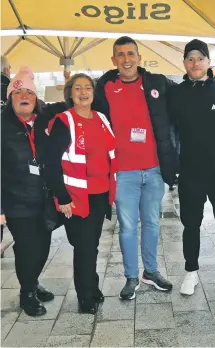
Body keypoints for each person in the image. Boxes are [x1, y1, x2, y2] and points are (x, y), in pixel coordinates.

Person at [94, 36, 178, 300]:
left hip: (153, 170)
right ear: (113, 60)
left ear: (139, 58)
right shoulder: (104, 88)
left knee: (152, 223)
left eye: (131, 54)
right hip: (123, 174)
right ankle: (131, 276)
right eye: (121, 55)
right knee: (128, 228)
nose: (126, 59)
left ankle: (150, 272)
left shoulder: (157, 83)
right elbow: (78, 104)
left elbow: (189, 93)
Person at [167, 39, 215, 296]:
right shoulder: (175, 93)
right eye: (190, 58)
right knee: (191, 224)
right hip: (190, 172)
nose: (195, 63)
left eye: (200, 58)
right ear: (184, 63)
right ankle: (190, 272)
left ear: (209, 62)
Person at [46, 73, 116, 314]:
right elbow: (51, 162)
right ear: (70, 93)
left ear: (93, 93)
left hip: (100, 194)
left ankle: (91, 286)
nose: (83, 92)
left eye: (88, 87)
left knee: (91, 245)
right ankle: (85, 297)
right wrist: (62, 197)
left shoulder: (101, 118)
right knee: (85, 246)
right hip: (77, 197)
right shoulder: (64, 121)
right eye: (78, 88)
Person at [1, 67, 67, 316]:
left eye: (29, 91)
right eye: (18, 93)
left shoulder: (45, 120)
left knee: (43, 246)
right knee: (28, 247)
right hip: (16, 201)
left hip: (44, 198)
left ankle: (34, 282)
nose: (24, 96)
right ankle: (26, 293)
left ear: (36, 97)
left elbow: (70, 103)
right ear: (10, 99)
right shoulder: (2, 126)